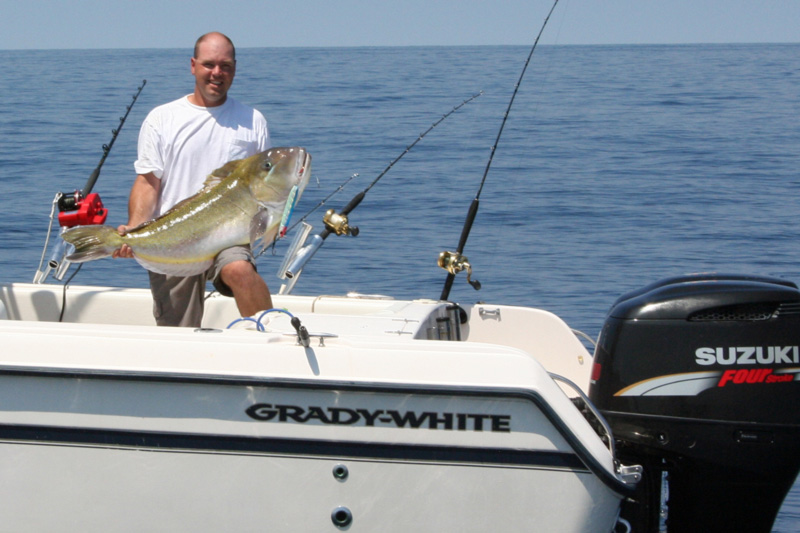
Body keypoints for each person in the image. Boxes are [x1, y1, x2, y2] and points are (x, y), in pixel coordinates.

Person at [113, 32, 273, 327]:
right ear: (193, 65)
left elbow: (262, 187)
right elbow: (148, 182)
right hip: (174, 238)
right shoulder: (162, 118)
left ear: (235, 68)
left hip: (229, 234)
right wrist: (134, 227)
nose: (217, 73)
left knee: (240, 270)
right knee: (177, 329)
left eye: (225, 66)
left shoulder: (254, 121)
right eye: (209, 64)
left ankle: (273, 338)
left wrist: (272, 221)